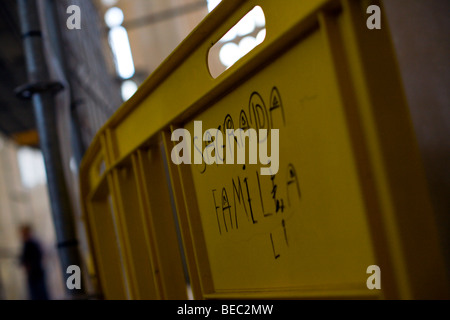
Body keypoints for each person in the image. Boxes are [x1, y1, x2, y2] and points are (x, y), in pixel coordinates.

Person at [19, 225, 49, 300]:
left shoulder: (30, 244)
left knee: (38, 294)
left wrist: (27, 264)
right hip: (35, 273)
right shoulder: (30, 244)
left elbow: (28, 259)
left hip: (35, 273)